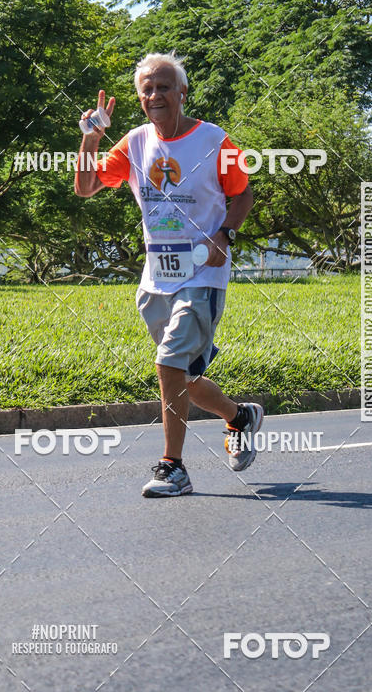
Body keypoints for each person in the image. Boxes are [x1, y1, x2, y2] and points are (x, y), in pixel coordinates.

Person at [74, 52, 263, 497]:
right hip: (156, 277)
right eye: (147, 89)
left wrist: (225, 236)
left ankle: (172, 467)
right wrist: (91, 138)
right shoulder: (135, 142)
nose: (155, 95)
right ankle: (239, 416)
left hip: (203, 272)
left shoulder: (215, 141)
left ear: (181, 93)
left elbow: (243, 196)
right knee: (184, 377)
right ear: (141, 99)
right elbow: (86, 187)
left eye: (163, 87)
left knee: (168, 363)